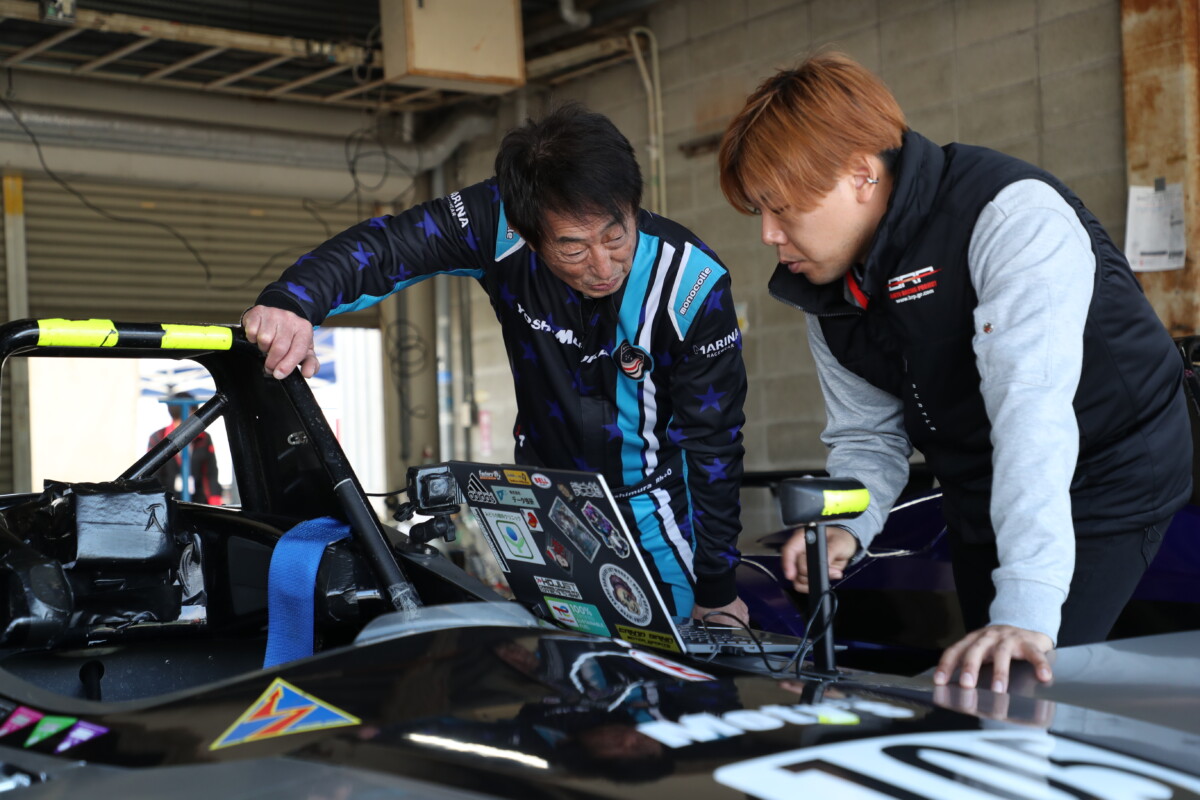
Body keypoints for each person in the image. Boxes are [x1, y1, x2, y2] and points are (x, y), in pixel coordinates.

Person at [717, 52, 1191, 692]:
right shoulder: (826, 288)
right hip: (979, 489)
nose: (770, 236)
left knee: (1016, 684)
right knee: (979, 681)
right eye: (760, 215)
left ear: (860, 174)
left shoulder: (1012, 219)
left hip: (1107, 471)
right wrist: (846, 527)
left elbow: (1031, 417)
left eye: (782, 209)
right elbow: (867, 438)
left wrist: (1024, 610)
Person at [242, 104, 749, 624]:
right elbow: (390, 246)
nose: (602, 265)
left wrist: (717, 587)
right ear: (528, 232)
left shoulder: (692, 285)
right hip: (540, 505)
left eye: (615, 236)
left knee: (671, 652)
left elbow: (714, 442)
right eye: (573, 248)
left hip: (651, 508)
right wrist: (293, 300)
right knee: (552, 656)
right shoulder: (495, 219)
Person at [147, 391, 222, 504]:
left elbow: (211, 472)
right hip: (167, 503)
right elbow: (153, 475)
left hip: (198, 501)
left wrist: (215, 499)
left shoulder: (204, 438)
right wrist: (155, 503)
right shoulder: (158, 438)